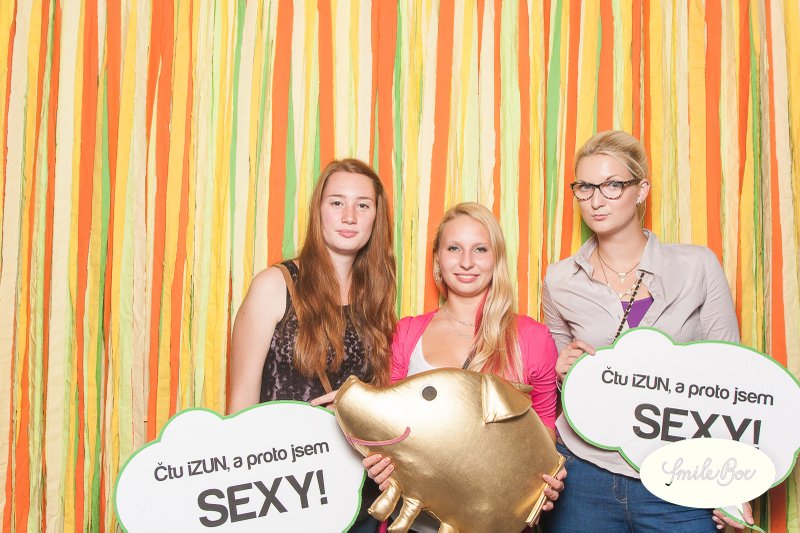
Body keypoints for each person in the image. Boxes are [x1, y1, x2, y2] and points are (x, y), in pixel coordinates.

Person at [539, 130, 753, 532]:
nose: (596, 200)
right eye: (585, 187)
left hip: (680, 471)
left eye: (612, 185)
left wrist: (736, 482)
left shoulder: (697, 266)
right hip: (585, 473)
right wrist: (562, 369)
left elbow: (731, 376)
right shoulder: (560, 279)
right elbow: (556, 385)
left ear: (641, 190)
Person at [351, 202, 565, 532]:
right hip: (413, 525)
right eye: (454, 248)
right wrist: (380, 464)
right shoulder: (408, 333)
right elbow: (388, 427)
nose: (466, 262)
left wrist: (545, 486)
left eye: (480, 249)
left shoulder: (533, 338)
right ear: (437, 258)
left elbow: (545, 430)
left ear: (497, 258)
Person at [228, 158, 396, 532]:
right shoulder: (275, 285)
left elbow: (382, 400)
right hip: (284, 492)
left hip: (357, 495)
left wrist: (357, 408)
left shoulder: (376, 296)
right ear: (318, 209)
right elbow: (240, 407)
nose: (349, 216)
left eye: (363, 205)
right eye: (337, 202)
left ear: (376, 217)